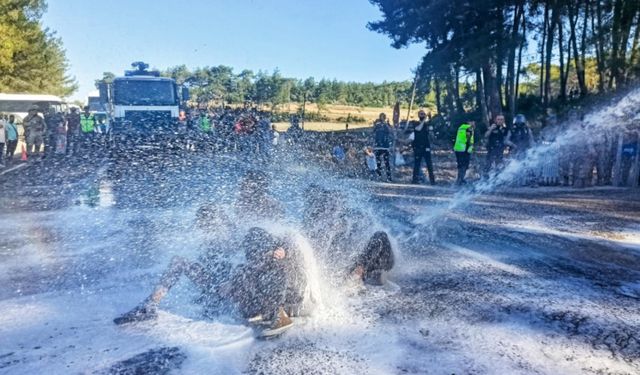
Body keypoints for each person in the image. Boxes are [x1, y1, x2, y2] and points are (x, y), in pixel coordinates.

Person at [113, 227, 306, 338]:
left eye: (254, 249)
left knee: (242, 273)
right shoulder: (255, 255)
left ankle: (275, 315)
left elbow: (290, 246)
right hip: (224, 290)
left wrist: (276, 313)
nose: (250, 253)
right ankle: (149, 305)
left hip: (255, 304)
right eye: (249, 249)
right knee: (179, 261)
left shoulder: (276, 260)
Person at [505, 114, 535, 185]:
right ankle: (514, 181)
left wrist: (532, 148)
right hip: (515, 151)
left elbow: (531, 140)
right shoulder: (512, 130)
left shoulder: (527, 129)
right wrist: (513, 145)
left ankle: (532, 181)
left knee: (529, 166)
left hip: (525, 150)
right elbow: (506, 140)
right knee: (515, 166)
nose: (519, 123)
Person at [409, 110, 436, 185]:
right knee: (417, 164)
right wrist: (424, 120)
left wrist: (431, 126)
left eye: (424, 114)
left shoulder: (427, 125)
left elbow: (431, 135)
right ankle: (415, 180)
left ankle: (432, 181)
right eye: (421, 114)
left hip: (426, 146)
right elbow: (418, 129)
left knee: (429, 164)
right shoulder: (415, 123)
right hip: (417, 147)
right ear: (418, 115)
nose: (423, 115)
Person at [453, 120, 475, 185]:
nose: (474, 123)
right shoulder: (469, 128)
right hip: (464, 149)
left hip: (458, 149)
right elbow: (468, 138)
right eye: (473, 122)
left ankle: (459, 179)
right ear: (469, 122)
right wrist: (470, 146)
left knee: (460, 165)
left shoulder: (461, 127)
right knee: (464, 165)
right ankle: (460, 180)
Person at [372, 113, 393, 182]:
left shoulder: (387, 125)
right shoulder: (377, 125)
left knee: (387, 162)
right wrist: (375, 124)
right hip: (378, 145)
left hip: (385, 146)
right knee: (378, 162)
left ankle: (389, 177)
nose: (382, 118)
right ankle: (379, 176)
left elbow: (390, 131)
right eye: (381, 117)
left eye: (383, 117)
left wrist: (386, 124)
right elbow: (373, 131)